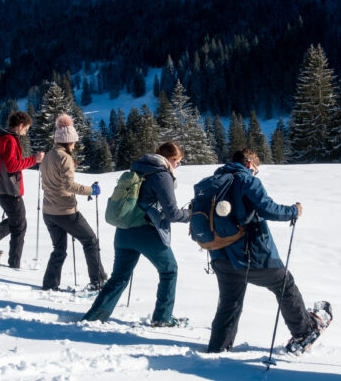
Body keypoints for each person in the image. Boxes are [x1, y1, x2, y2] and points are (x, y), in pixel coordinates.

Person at [205, 148, 326, 354]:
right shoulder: (247, 180)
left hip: (219, 255)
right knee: (284, 283)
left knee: (230, 301)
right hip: (250, 255)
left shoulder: (213, 182)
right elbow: (268, 209)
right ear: (250, 164)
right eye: (256, 169)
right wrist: (293, 211)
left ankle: (218, 347)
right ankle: (304, 332)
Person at [82, 142, 191, 326]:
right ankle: (162, 318)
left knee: (119, 277)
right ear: (167, 159)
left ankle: (94, 317)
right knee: (169, 271)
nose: (177, 165)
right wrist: (191, 215)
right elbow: (172, 213)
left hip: (124, 231)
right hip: (145, 231)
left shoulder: (138, 168)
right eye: (176, 161)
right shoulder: (162, 175)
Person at [39, 114, 107, 292]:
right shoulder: (65, 158)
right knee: (90, 241)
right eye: (74, 142)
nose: (75, 145)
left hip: (48, 211)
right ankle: (98, 281)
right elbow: (68, 185)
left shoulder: (47, 157)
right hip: (65, 211)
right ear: (68, 141)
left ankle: (49, 284)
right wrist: (90, 191)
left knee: (59, 249)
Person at [0, 111, 44, 268]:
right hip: (9, 188)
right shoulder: (10, 140)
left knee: (17, 220)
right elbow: (12, 166)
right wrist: (35, 159)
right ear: (20, 126)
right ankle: (13, 265)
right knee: (20, 225)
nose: (26, 132)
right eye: (26, 129)